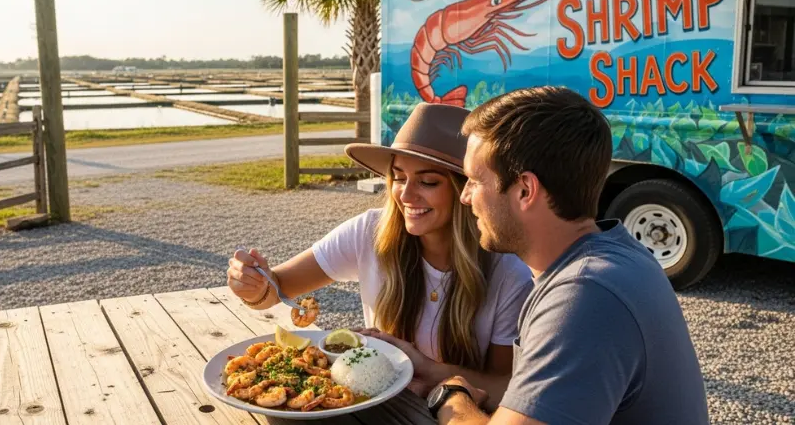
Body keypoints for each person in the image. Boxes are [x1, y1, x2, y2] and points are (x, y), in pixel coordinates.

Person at [371, 86, 709, 424]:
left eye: (475, 180)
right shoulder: (612, 258)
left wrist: (450, 399)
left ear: (525, 190)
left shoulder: (585, 295)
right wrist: (434, 371)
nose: (465, 197)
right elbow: (530, 398)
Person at [226, 102, 534, 414]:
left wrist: (426, 369)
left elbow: (504, 386)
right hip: (371, 410)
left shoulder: (507, 270)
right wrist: (252, 285)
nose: (406, 195)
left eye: (428, 181)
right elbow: (277, 287)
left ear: (464, 190)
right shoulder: (368, 231)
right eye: (399, 178)